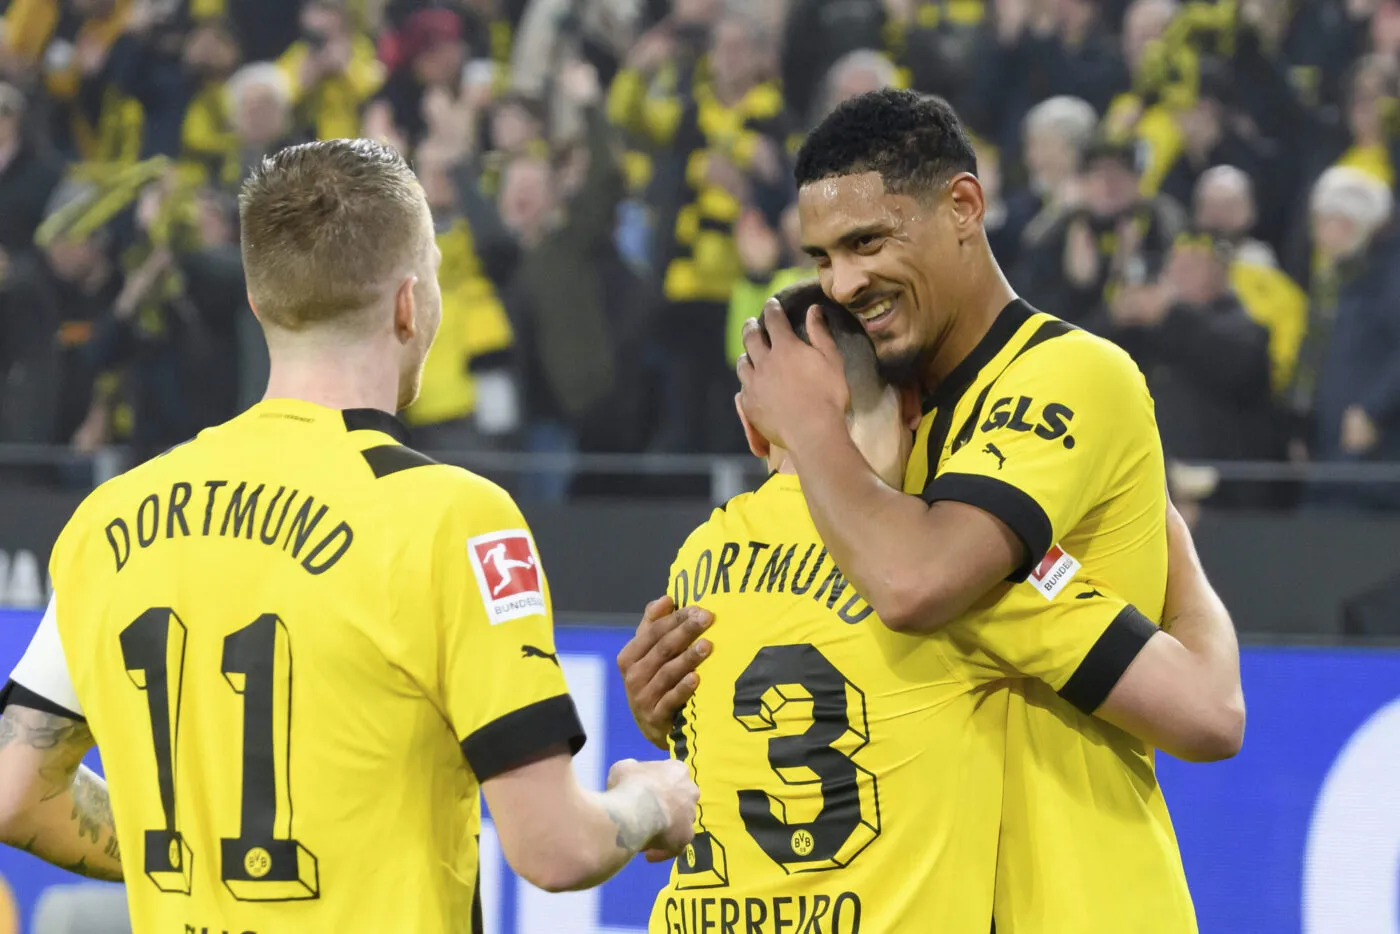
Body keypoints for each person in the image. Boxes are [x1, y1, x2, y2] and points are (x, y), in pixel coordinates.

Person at [0, 139, 697, 933]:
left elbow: (17, 793)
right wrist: (651, 800)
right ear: (410, 303)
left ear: (261, 305)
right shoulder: (453, 517)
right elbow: (555, 847)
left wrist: (196, 854)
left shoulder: (109, 521)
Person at [625, 89, 1244, 934]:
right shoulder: (885, 448)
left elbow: (912, 580)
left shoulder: (1065, 376)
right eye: (823, 256)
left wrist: (810, 429)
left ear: (962, 205)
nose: (844, 282)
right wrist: (677, 702)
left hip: (1080, 901)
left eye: (868, 241)